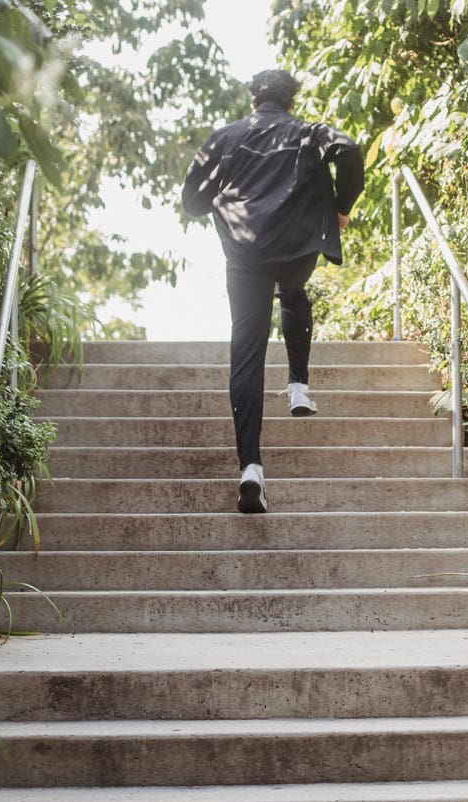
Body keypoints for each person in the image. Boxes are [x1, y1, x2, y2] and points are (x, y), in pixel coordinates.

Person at [181, 69, 365, 514]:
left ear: (253, 101)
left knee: (246, 352)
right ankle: (298, 383)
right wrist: (340, 208)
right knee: (295, 290)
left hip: (245, 255)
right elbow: (351, 151)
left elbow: (192, 200)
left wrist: (216, 199)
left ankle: (251, 468)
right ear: (291, 101)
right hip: (296, 247)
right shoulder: (309, 132)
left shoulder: (225, 137)